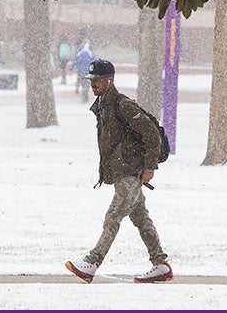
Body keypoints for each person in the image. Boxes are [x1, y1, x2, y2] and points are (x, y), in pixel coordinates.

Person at [65, 59, 173, 284]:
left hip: (132, 171)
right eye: (91, 80)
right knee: (141, 219)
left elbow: (151, 133)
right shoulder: (103, 105)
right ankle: (160, 265)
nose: (93, 84)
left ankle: (92, 262)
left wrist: (150, 166)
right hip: (122, 171)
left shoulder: (122, 105)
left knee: (113, 216)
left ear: (109, 80)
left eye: (97, 80)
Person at [68, 38, 96, 102]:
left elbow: (75, 61)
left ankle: (83, 95)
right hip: (88, 71)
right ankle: (85, 95)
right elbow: (95, 61)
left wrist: (71, 68)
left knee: (83, 84)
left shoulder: (80, 53)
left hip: (81, 71)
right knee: (87, 84)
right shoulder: (90, 53)